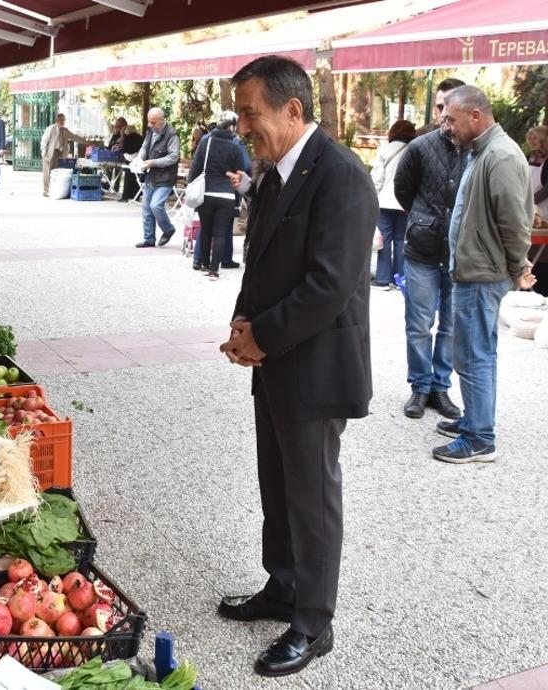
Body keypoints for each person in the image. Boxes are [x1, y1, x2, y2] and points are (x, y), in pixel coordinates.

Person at [217, 55, 376, 677]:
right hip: (274, 358)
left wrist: (264, 336)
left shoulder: (340, 175)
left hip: (313, 364)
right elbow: (259, 262)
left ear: (293, 110)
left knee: (311, 494)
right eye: (239, 114)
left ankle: (313, 622)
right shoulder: (274, 172)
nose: (243, 126)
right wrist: (242, 323)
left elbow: (330, 285)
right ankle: (281, 585)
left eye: (250, 113)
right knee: (277, 484)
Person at [432, 85, 535, 463]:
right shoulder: (485, 150)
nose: (446, 127)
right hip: (477, 270)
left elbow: (515, 223)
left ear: (476, 116)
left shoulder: (501, 155)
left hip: (482, 274)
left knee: (473, 357)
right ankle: (476, 422)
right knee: (478, 354)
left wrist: (517, 267)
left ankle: (479, 438)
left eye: (452, 119)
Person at [393, 78, 467, 420]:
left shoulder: (476, 148)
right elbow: (402, 188)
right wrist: (422, 219)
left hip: (460, 253)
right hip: (422, 249)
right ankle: (420, 387)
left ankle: (441, 387)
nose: (442, 115)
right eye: (438, 107)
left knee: (451, 325)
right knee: (419, 324)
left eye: (448, 108)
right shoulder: (420, 147)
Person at [188, 110, 249, 279]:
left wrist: (191, 187)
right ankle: (214, 271)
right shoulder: (236, 147)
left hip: (207, 193)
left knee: (206, 230)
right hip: (227, 196)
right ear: (232, 128)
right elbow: (241, 172)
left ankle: (204, 263)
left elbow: (195, 170)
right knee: (220, 233)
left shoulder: (206, 143)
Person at [370, 119, 416, 289]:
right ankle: (400, 279)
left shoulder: (384, 150)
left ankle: (382, 279)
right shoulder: (414, 150)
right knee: (400, 241)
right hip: (404, 204)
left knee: (384, 240)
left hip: (385, 202)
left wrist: (373, 198)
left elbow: (377, 179)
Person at [135, 107, 180, 248]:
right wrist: (139, 159)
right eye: (149, 122)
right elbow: (144, 147)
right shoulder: (151, 131)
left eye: (153, 122)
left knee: (156, 206)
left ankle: (168, 229)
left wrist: (152, 163)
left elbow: (174, 157)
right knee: (146, 208)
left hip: (166, 177)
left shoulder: (172, 135)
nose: (150, 125)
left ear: (162, 120)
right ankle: (149, 239)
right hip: (151, 176)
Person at [41, 113, 88, 196]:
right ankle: (46, 191)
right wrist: (43, 153)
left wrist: (86, 142)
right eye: (62, 120)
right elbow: (44, 141)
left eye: (64, 120)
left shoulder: (65, 130)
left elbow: (74, 137)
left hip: (59, 153)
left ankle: (53, 189)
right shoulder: (51, 128)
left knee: (55, 172)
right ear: (57, 120)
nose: (63, 122)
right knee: (47, 172)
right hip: (50, 153)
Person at [526, 125, 548, 219]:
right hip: (528, 211)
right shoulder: (527, 158)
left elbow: (546, 190)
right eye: (530, 139)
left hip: (543, 214)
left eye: (535, 138)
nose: (532, 141)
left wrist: (528, 203)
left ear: (543, 140)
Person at [118, 125, 144, 203]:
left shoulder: (128, 138)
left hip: (129, 160)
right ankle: (136, 196)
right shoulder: (140, 137)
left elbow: (125, 149)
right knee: (136, 179)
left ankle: (125, 196)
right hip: (138, 159)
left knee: (127, 178)